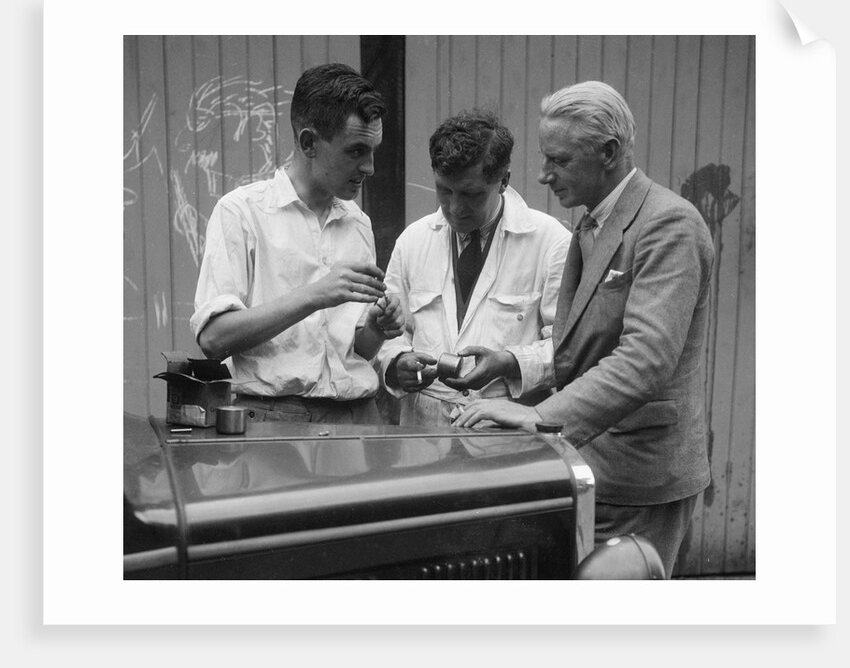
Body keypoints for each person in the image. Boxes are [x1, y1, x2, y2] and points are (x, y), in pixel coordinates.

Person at [453, 81, 715, 578]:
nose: (543, 174)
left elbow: (645, 360)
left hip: (640, 475)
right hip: (592, 464)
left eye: (560, 160)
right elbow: (588, 346)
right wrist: (511, 364)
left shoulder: (668, 225)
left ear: (610, 153)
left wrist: (537, 418)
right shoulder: (593, 223)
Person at [189, 63, 404, 425]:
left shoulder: (358, 223)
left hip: (357, 417)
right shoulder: (241, 213)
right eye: (355, 151)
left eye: (374, 151)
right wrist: (316, 294)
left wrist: (377, 330)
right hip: (275, 421)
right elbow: (213, 338)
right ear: (308, 143)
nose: (369, 167)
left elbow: (356, 351)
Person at [377, 109, 571, 426]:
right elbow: (389, 332)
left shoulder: (551, 243)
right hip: (425, 433)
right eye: (444, 190)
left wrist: (510, 362)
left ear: (504, 180)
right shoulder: (413, 240)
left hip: (506, 432)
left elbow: (568, 350)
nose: (455, 209)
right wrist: (396, 362)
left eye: (471, 194)